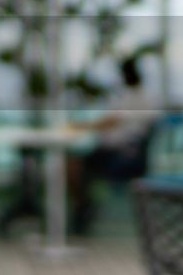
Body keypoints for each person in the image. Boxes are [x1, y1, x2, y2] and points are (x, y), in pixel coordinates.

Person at [67, 56, 158, 236]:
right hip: (121, 152)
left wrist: (81, 126)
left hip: (121, 154)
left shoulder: (134, 97)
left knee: (73, 166)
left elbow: (112, 122)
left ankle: (83, 208)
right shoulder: (145, 96)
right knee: (75, 165)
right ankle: (83, 207)